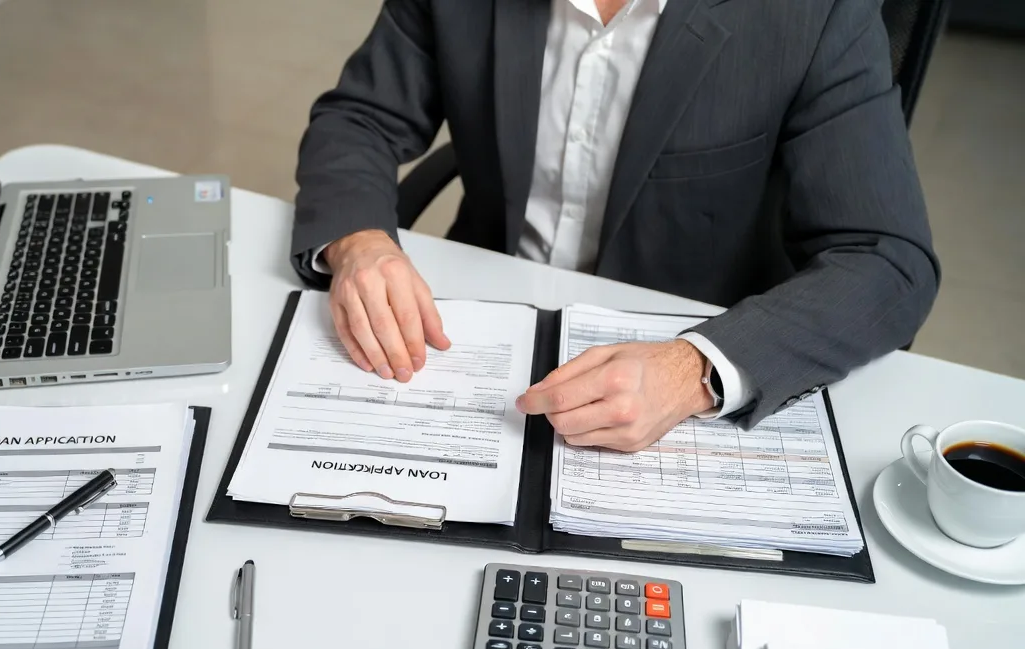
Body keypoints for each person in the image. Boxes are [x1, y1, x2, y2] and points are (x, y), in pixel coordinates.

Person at [289, 0, 939, 451]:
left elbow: (888, 260)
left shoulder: (817, 14)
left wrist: (695, 371)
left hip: (685, 346)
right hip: (480, 331)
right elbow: (361, 118)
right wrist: (360, 242)